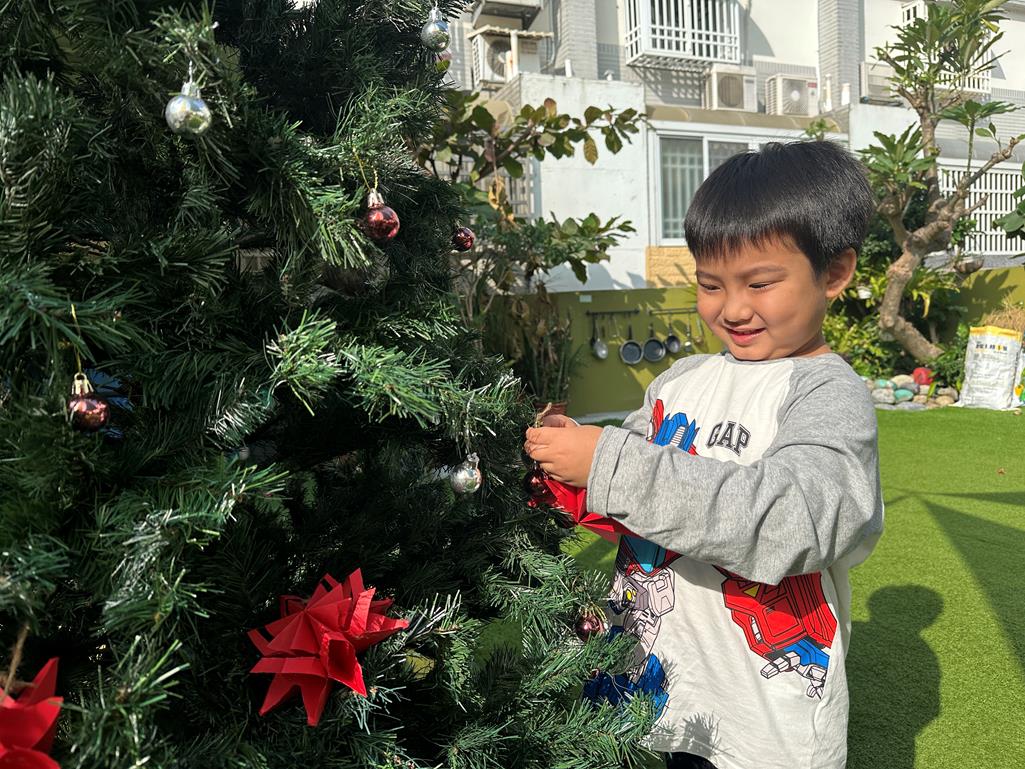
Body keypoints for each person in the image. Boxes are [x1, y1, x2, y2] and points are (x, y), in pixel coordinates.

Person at [524, 141, 884, 769]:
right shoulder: (681, 381)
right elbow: (628, 499)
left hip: (760, 708)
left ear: (833, 273)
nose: (733, 309)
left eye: (760, 284)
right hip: (668, 676)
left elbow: (795, 521)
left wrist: (608, 464)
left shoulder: (827, 394)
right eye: (710, 285)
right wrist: (569, 467)